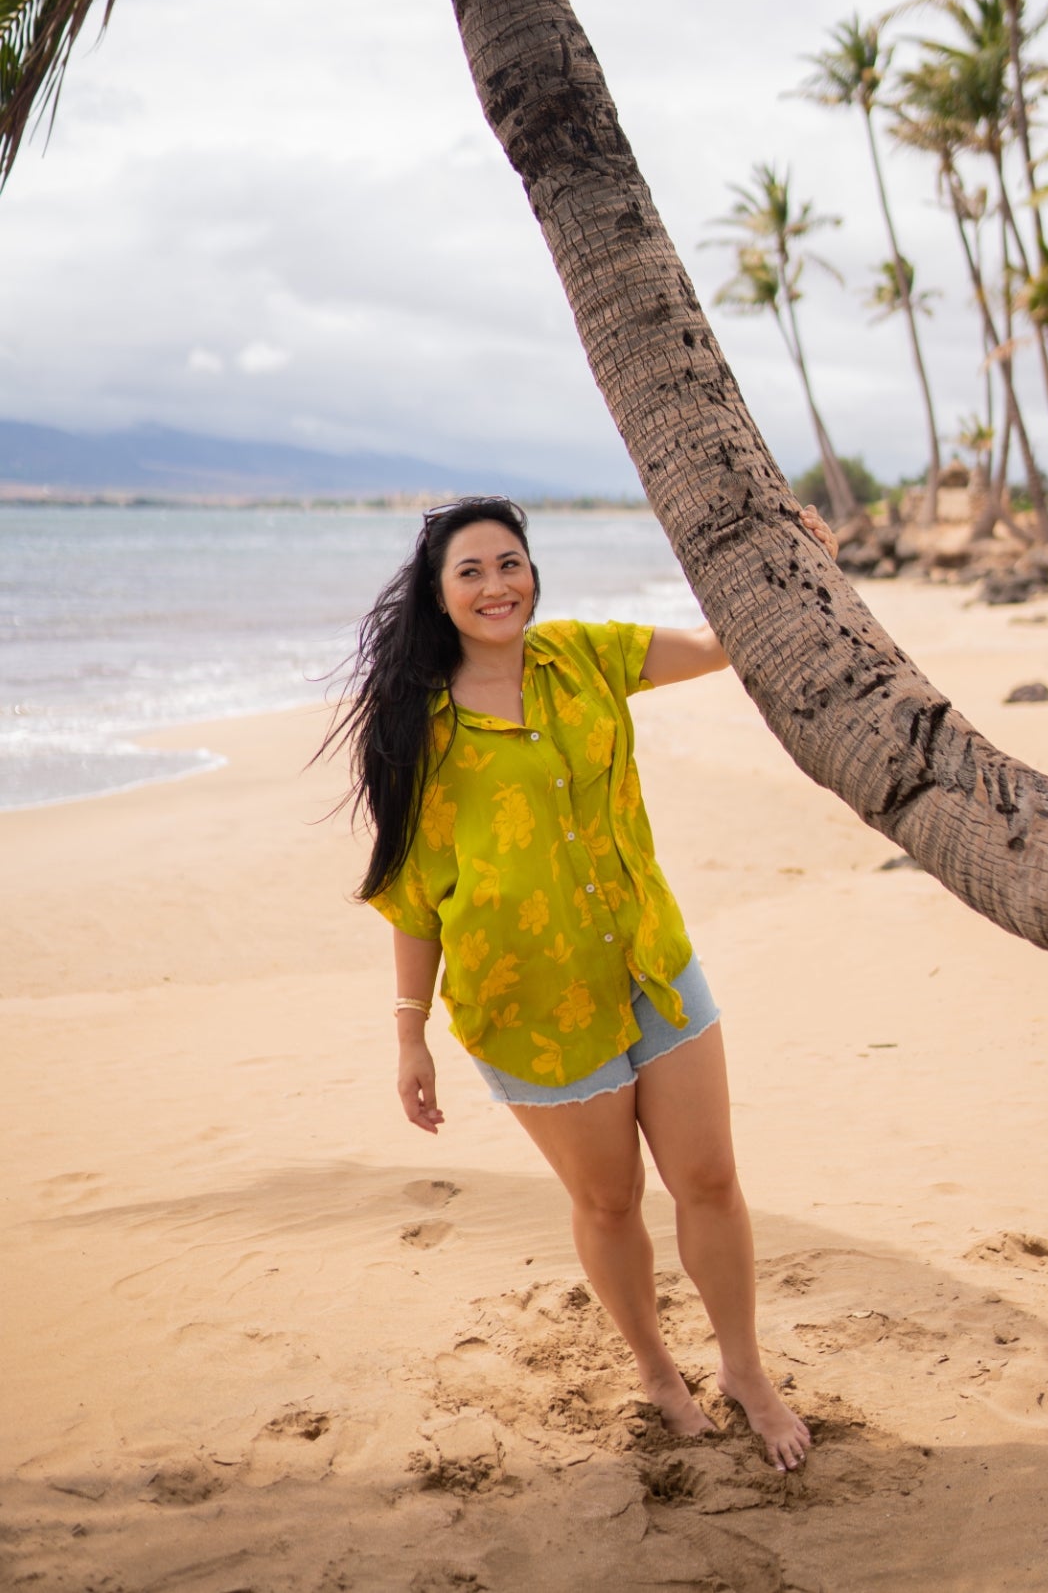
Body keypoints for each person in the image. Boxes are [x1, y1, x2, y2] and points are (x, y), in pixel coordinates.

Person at [329, 494, 837, 1472]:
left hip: (651, 959)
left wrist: (789, 551)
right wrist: (407, 1034)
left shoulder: (586, 657)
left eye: (509, 563)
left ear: (532, 573)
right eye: (470, 571)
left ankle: (744, 1371)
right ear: (439, 597)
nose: (495, 585)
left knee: (711, 1179)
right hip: (530, 1008)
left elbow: (715, 645)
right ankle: (654, 1368)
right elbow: (412, 899)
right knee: (610, 1204)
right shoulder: (419, 732)